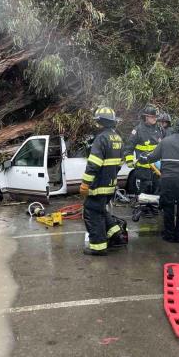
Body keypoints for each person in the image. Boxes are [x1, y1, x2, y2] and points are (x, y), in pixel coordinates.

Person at [139, 118, 179, 243]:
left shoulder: (165, 141)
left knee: (168, 207)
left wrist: (142, 159)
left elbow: (152, 157)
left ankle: (168, 235)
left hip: (167, 180)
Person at [80, 107, 125, 256]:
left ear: (100, 122)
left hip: (98, 186)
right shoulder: (117, 137)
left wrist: (85, 183)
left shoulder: (101, 138)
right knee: (100, 210)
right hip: (110, 185)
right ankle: (116, 234)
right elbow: (119, 164)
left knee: (92, 212)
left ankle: (98, 247)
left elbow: (93, 164)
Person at [124, 104, 164, 197]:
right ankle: (143, 209)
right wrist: (129, 160)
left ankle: (153, 209)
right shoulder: (138, 130)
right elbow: (129, 146)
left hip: (157, 167)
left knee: (157, 188)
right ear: (146, 117)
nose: (155, 119)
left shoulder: (159, 129)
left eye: (156, 117)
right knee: (145, 189)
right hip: (143, 167)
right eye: (153, 117)